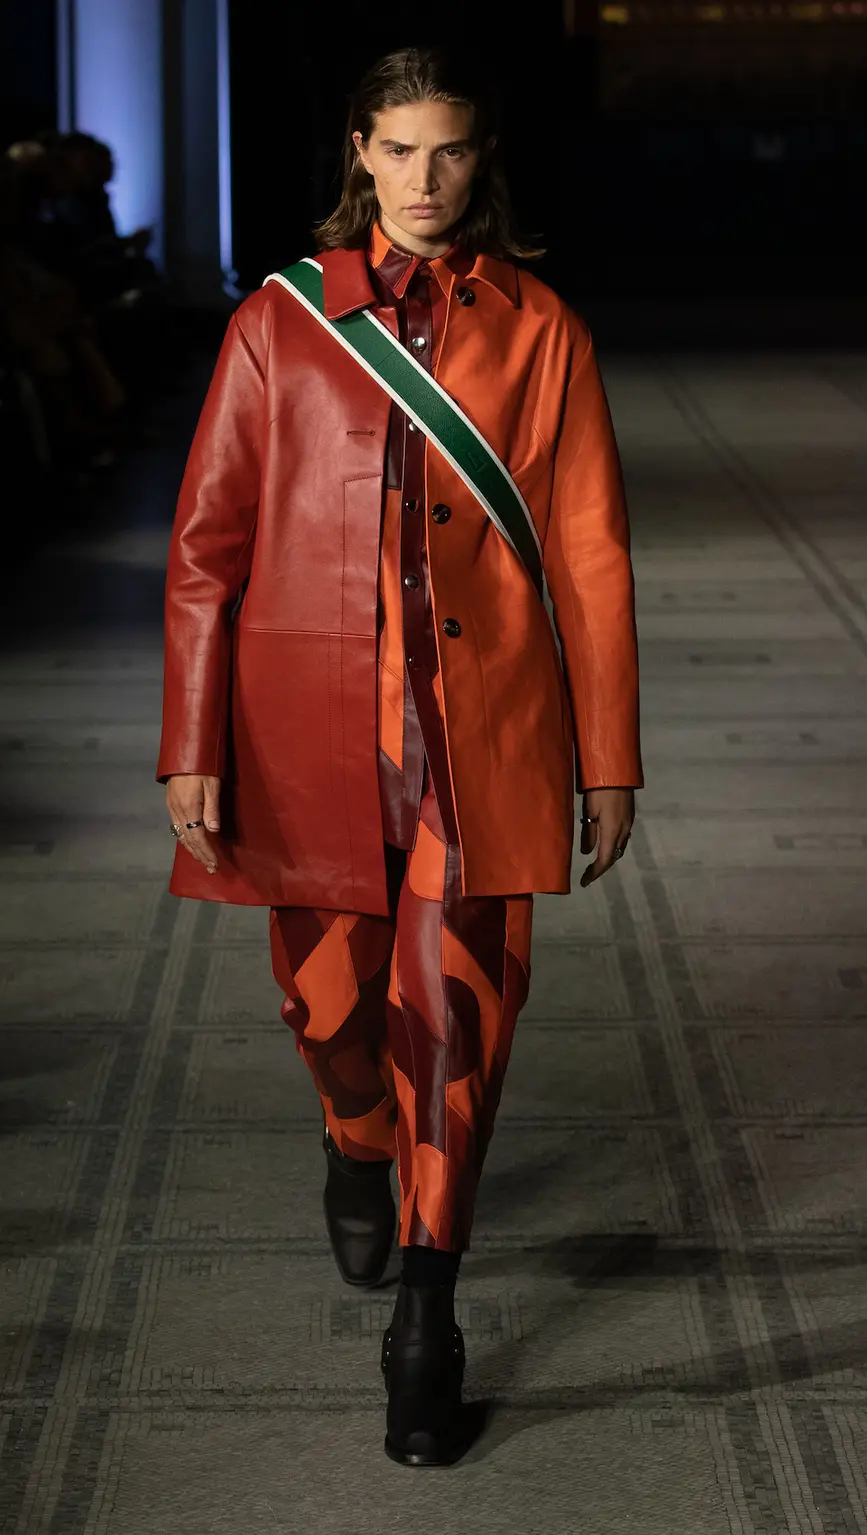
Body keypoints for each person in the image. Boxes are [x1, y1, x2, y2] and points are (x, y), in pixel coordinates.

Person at [158, 45, 642, 1467]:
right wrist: (191, 740)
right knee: (333, 1015)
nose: (427, 180)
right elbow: (207, 547)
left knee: (459, 1028)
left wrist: (607, 758)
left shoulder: (541, 329)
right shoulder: (281, 321)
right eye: (402, 150)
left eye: (453, 151)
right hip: (308, 738)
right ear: (359, 154)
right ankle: (354, 1136)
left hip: (478, 741)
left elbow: (593, 555)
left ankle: (428, 1319)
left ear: (482, 161)